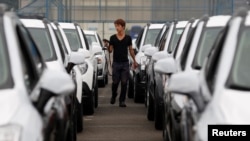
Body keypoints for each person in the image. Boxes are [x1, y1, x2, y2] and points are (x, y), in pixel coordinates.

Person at [108, 18, 138, 107]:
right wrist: (108, 46)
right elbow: (110, 50)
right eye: (115, 26)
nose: (116, 28)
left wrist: (135, 61)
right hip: (116, 63)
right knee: (115, 82)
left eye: (118, 26)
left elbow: (131, 50)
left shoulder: (128, 38)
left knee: (124, 82)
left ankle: (122, 101)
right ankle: (114, 95)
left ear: (123, 27)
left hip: (125, 63)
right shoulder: (112, 38)